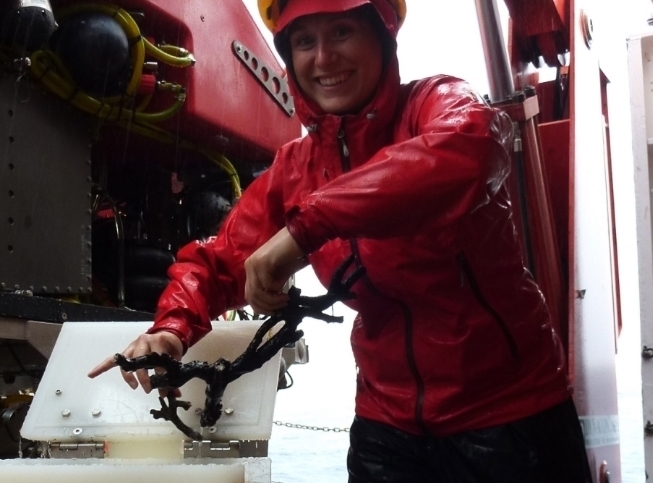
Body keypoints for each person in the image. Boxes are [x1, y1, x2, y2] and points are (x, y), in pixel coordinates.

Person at [90, 0, 593, 481]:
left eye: (342, 32)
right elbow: (218, 263)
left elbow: (474, 146)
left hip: (509, 417)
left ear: (382, 36)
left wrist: (307, 226)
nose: (323, 58)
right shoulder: (296, 167)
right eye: (304, 40)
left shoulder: (434, 104)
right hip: (387, 426)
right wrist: (172, 329)